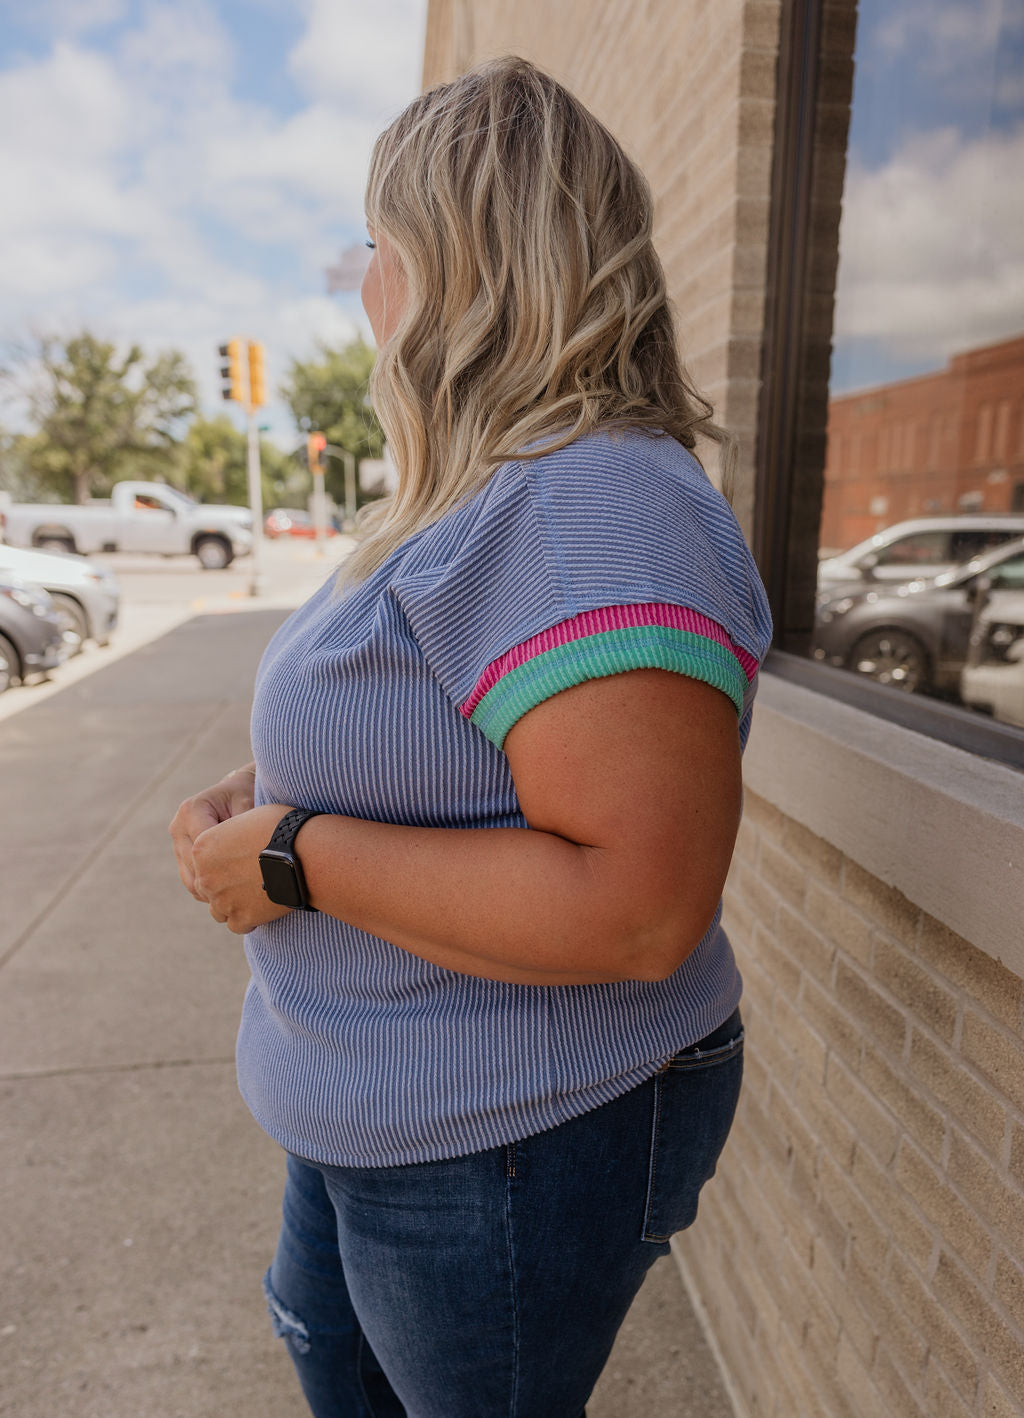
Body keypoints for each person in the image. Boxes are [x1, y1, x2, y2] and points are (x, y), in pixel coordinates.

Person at [170, 56, 772, 1418]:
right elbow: (442, 728)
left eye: (374, 247)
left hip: (500, 1142)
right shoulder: (495, 490)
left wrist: (290, 855)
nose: (364, 284)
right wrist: (269, 788)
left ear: (448, 263)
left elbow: (637, 908)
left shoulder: (591, 503)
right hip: (380, 1112)